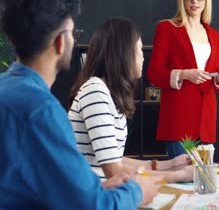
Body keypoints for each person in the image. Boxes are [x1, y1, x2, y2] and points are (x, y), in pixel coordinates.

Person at [0, 0, 161, 210]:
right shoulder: (41, 110)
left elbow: (30, 183)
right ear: (60, 42)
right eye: (74, 32)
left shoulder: (6, 87)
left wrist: (97, 186)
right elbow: (93, 209)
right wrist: (138, 191)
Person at [68, 17, 193, 183]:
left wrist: (171, 164)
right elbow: (114, 171)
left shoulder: (106, 92)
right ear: (124, 53)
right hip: (92, 199)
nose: (143, 58)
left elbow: (116, 159)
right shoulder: (95, 92)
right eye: (139, 50)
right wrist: (179, 176)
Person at [147, 0, 219, 158]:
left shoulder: (215, 36)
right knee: (181, 180)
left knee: (205, 181)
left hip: (206, 121)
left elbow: (212, 76)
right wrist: (184, 74)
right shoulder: (167, 29)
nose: (194, 0)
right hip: (179, 120)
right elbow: (154, 74)